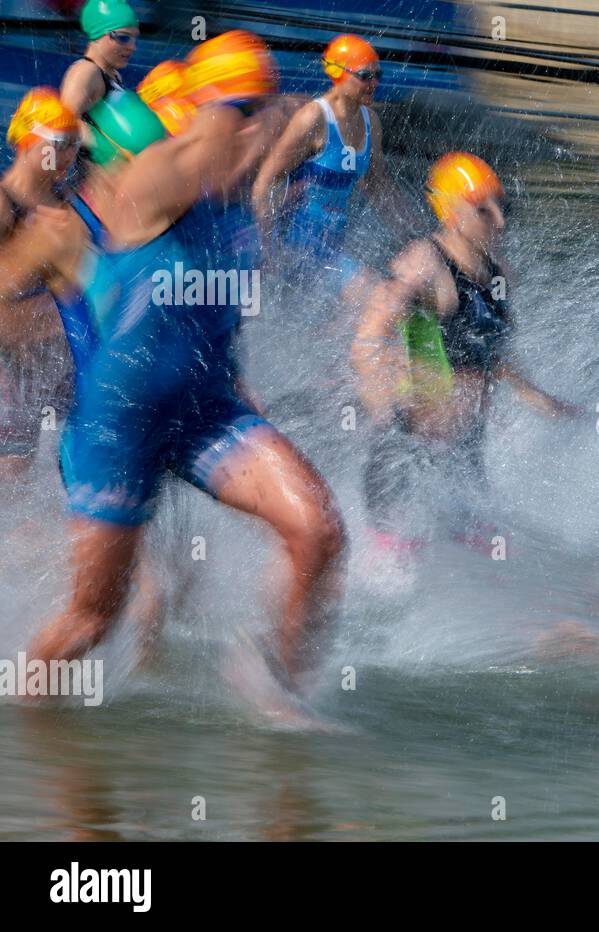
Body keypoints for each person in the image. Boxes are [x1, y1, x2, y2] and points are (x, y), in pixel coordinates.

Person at [18, 31, 345, 698]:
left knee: (319, 533)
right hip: (119, 425)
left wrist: (240, 381)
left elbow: (218, 306)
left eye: (260, 116)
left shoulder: (241, 189)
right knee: (94, 618)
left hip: (205, 410)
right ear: (203, 113)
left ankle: (283, 697)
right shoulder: (155, 177)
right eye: (241, 115)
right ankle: (26, 723)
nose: (256, 131)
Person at [351, 152, 577, 564]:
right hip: (406, 456)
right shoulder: (425, 263)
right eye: (483, 210)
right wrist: (383, 400)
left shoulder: (498, 274)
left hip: (465, 451)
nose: (500, 222)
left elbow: (493, 352)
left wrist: (539, 399)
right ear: (452, 213)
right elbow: (369, 336)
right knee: (401, 570)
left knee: (489, 558)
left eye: (502, 207)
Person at [251, 33, 393, 302]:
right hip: (297, 247)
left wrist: (416, 233)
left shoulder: (370, 121)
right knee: (378, 297)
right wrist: (267, 249)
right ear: (338, 73)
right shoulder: (313, 119)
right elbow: (264, 183)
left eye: (378, 75)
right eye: (365, 76)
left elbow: (379, 186)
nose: (374, 83)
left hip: (333, 248)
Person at [0, 89, 81, 485]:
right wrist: (51, 319)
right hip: (10, 361)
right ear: (31, 142)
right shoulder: (4, 204)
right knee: (14, 467)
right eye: (61, 144)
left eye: (75, 145)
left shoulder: (63, 201)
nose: (68, 155)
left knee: (95, 433)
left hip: (52, 355)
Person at [60, 0, 138, 118]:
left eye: (134, 38)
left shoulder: (113, 75)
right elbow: (63, 127)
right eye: (123, 38)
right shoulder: (85, 72)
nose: (132, 47)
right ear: (98, 35)